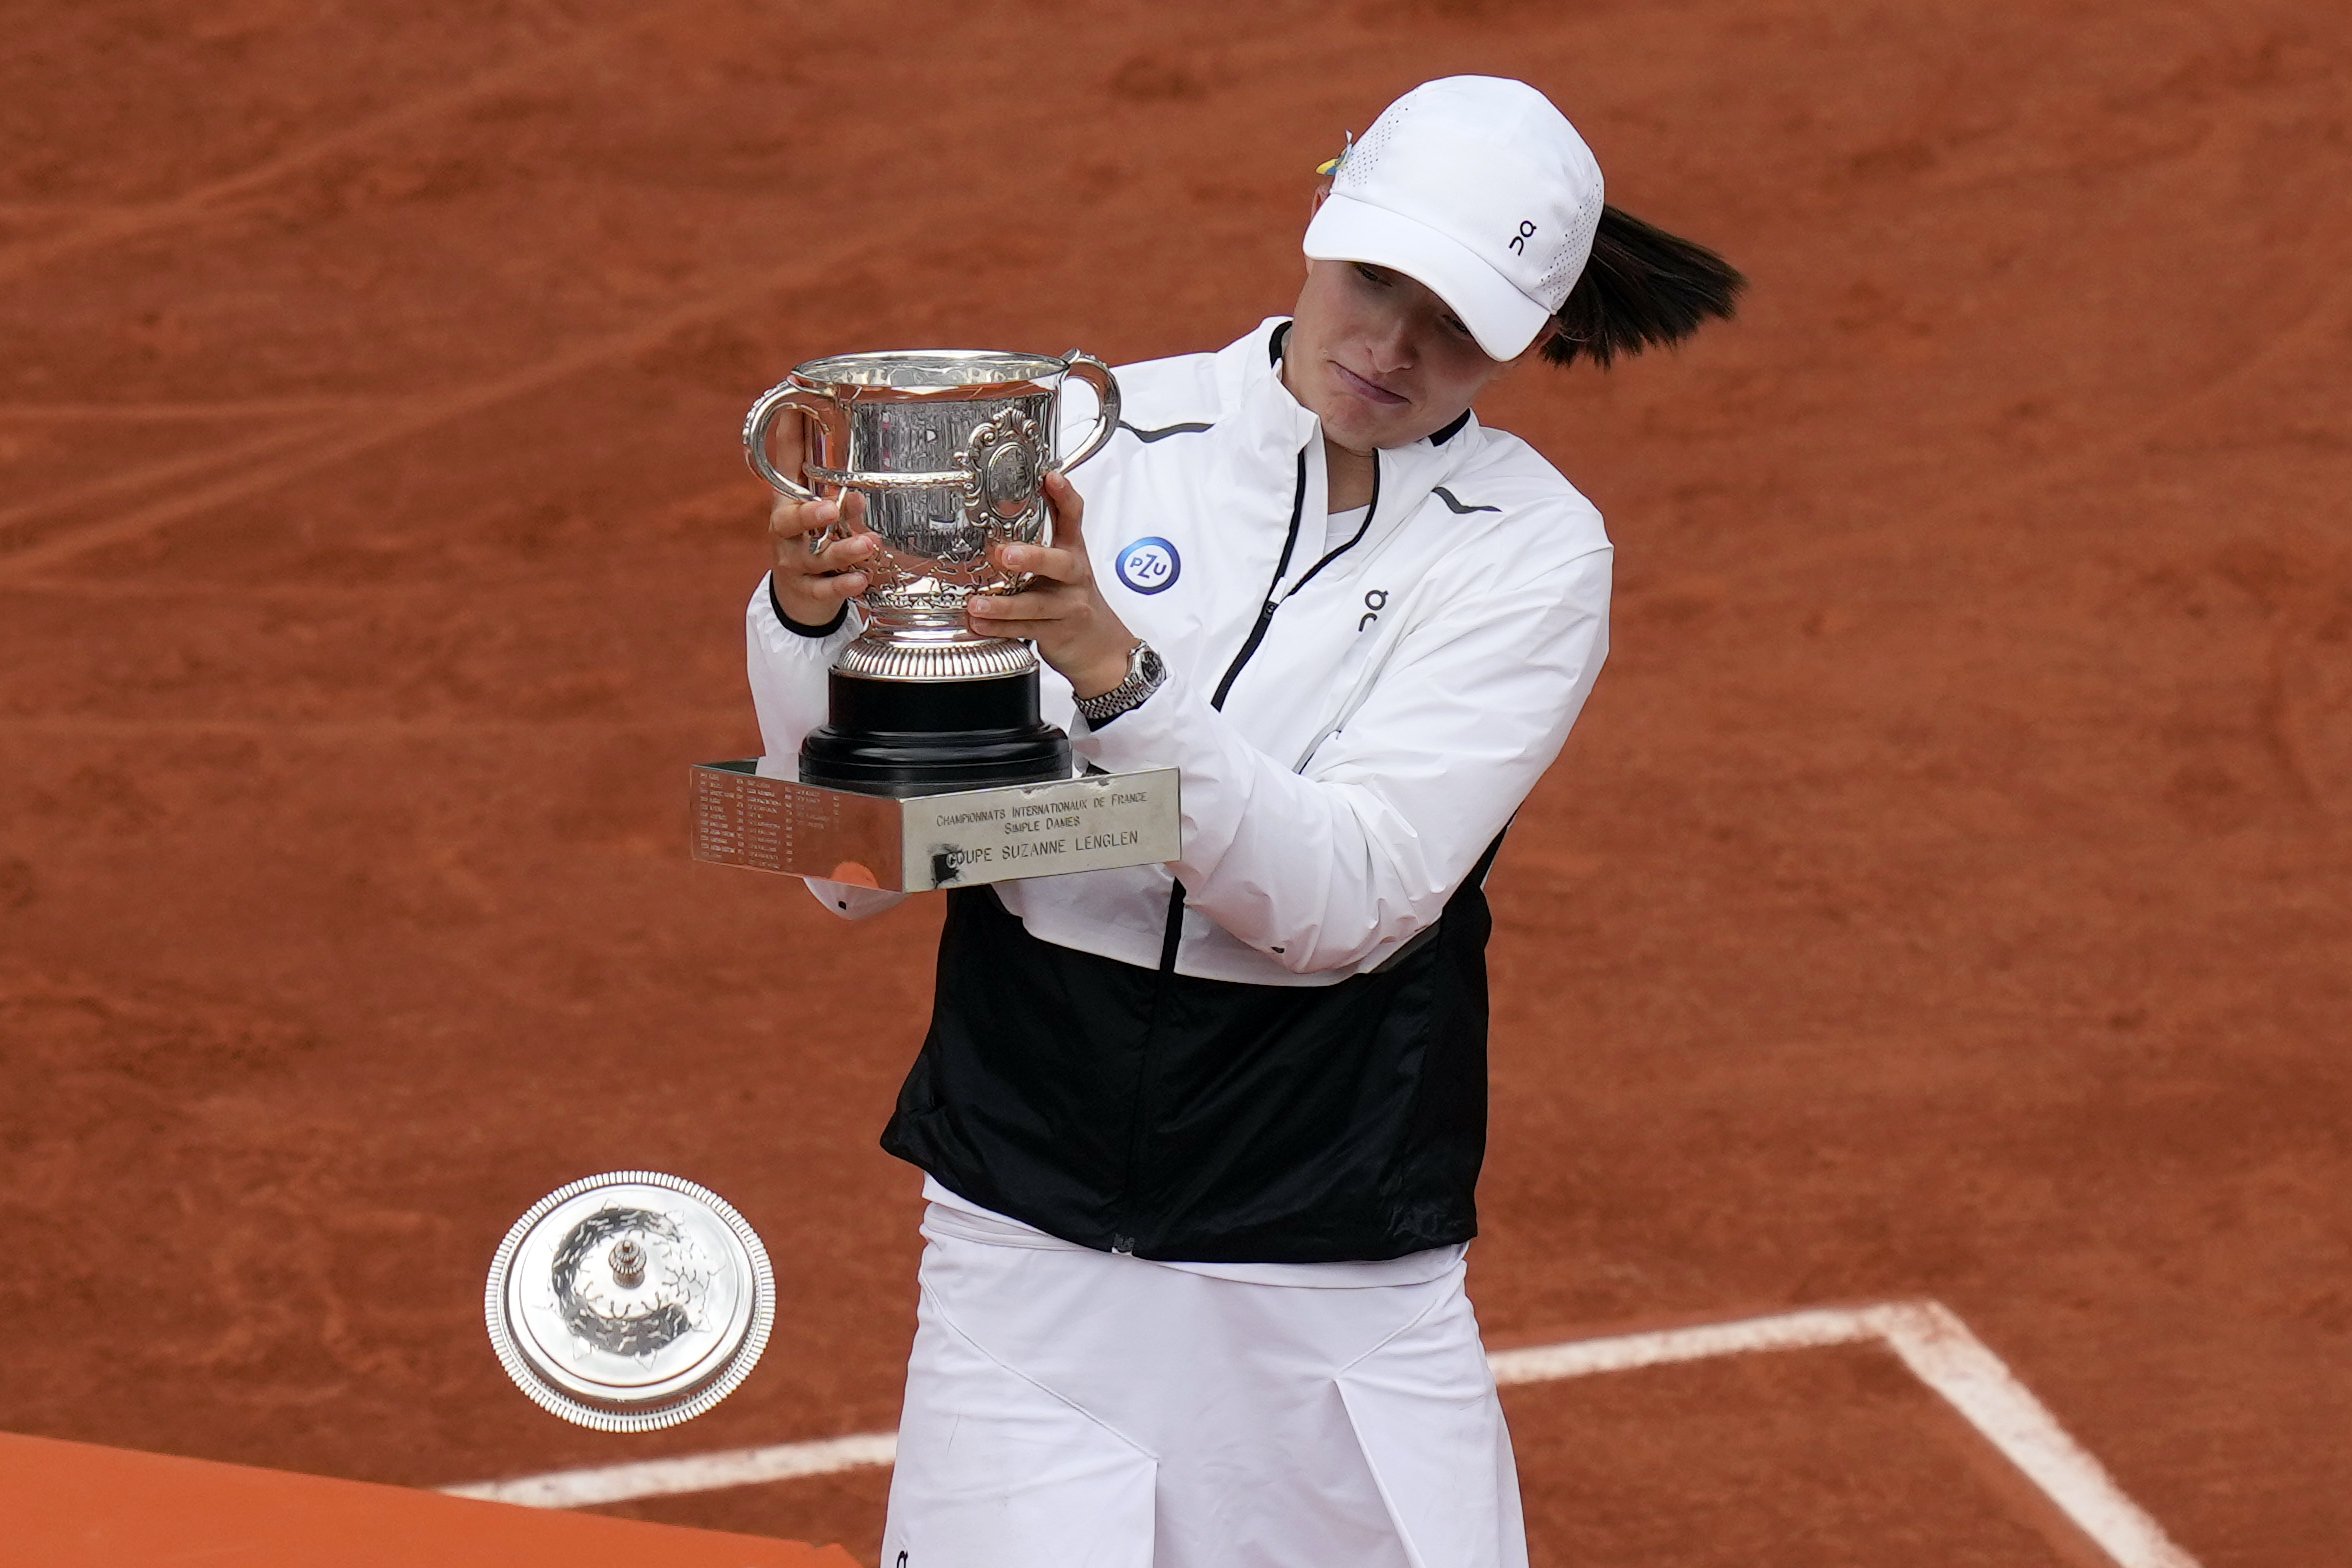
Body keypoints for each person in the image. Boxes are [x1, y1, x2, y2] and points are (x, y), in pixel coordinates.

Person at [746, 75, 1742, 1568]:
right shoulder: (1086, 438)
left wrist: (1113, 679)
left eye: (1457, 323)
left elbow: (1342, 903)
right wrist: (814, 625)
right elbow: (850, 866)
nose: (1394, 347)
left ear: (1528, 336)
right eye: (1375, 282)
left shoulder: (1534, 556)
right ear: (1320, 225)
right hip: (1025, 1238)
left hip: (1327, 1271)